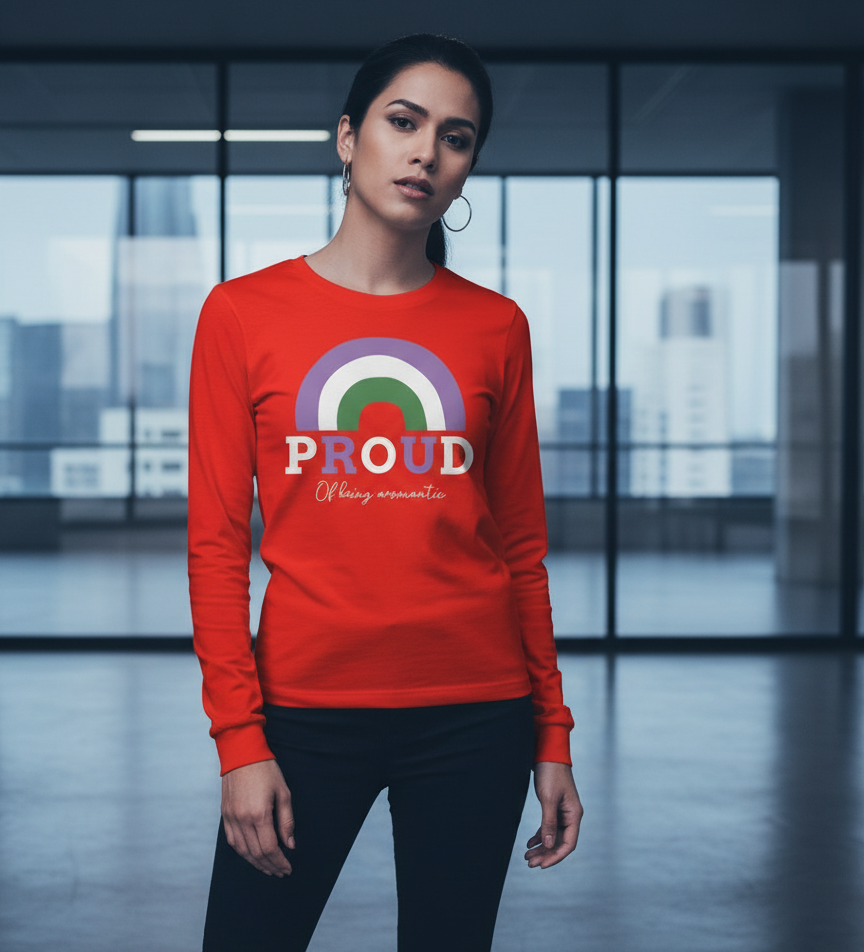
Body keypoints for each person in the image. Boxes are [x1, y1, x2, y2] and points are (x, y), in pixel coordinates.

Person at [187, 32, 583, 952]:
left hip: (476, 716)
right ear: (346, 137)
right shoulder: (243, 313)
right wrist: (239, 744)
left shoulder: (496, 327)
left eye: (456, 137)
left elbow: (522, 550)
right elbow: (214, 547)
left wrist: (551, 736)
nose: (426, 152)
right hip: (302, 713)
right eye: (403, 122)